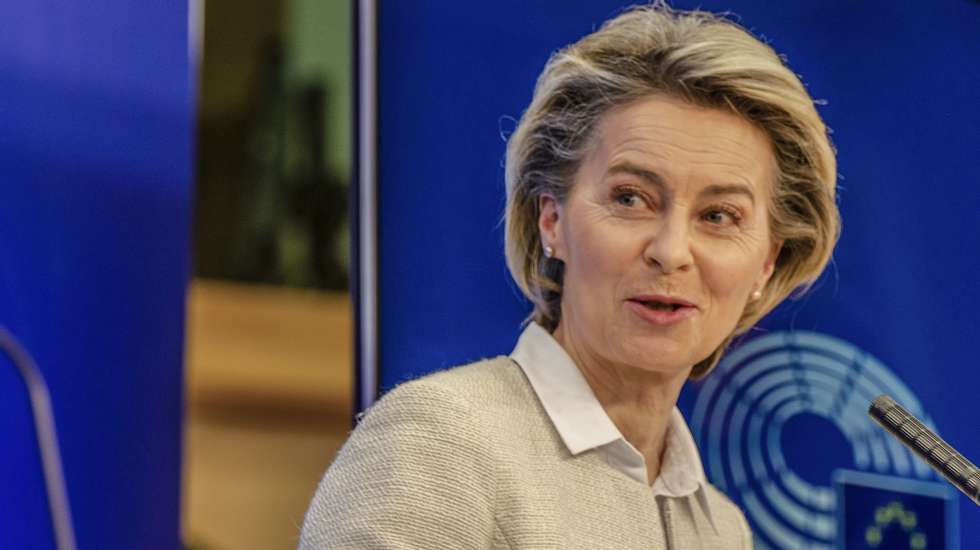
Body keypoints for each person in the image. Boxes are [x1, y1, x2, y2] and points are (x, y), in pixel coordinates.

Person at [300, 3, 839, 548]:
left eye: (719, 216)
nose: (671, 251)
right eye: (631, 199)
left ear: (767, 261)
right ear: (551, 220)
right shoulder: (441, 444)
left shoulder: (721, 529)